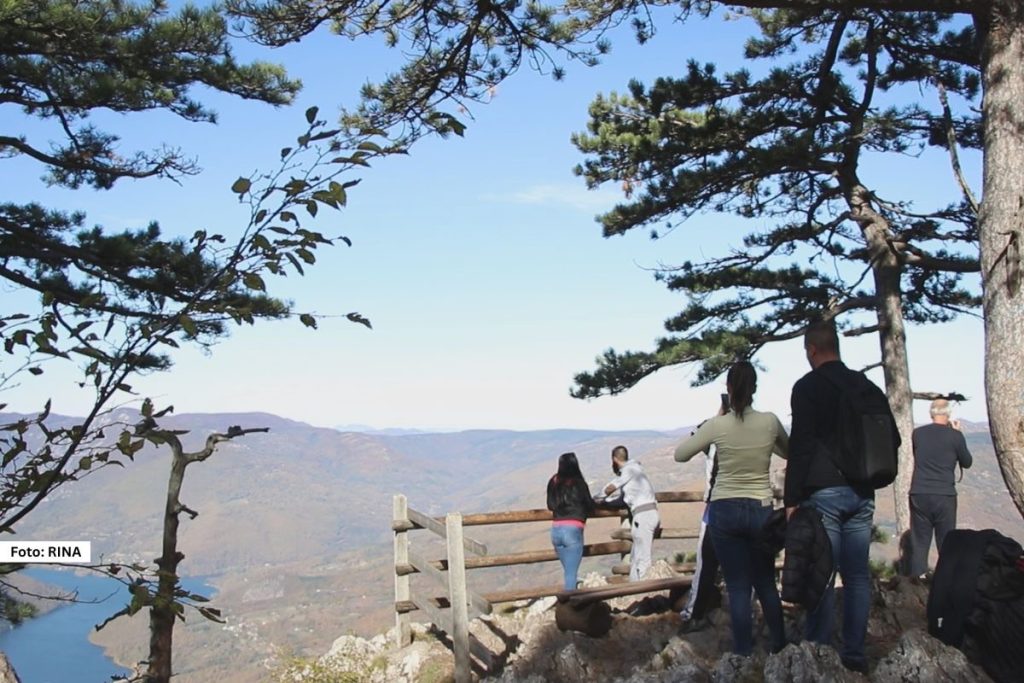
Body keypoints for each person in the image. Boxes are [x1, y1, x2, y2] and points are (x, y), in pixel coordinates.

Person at [786, 320, 899, 674]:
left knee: (821, 572)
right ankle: (854, 652)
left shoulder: (807, 388)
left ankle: (819, 651)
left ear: (812, 350)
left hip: (823, 493)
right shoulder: (863, 385)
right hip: (862, 491)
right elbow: (891, 438)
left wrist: (791, 499)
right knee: (858, 576)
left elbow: (801, 445)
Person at [675, 361, 788, 656]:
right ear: (755, 389)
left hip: (724, 509)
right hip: (760, 508)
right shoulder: (770, 422)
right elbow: (790, 451)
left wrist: (712, 427)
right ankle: (780, 645)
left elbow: (680, 454)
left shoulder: (717, 426)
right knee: (764, 582)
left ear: (728, 388)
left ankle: (742, 653)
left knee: (737, 586)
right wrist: (765, 445)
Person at [906, 398, 973, 577]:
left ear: (931, 413)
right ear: (948, 414)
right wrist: (958, 433)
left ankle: (916, 583)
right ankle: (945, 584)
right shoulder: (955, 436)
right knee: (946, 543)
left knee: (920, 543)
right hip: (944, 495)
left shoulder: (918, 434)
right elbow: (967, 462)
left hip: (919, 492)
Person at [679, 396, 726, 632]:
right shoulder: (753, 429)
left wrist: (714, 419)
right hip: (750, 503)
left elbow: (688, 445)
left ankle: (694, 614)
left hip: (716, 506)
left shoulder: (714, 433)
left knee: (706, 563)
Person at [599, 446, 660, 582]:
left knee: (643, 559)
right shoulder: (636, 470)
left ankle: (645, 592)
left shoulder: (628, 470)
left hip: (643, 516)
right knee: (636, 556)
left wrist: (597, 499)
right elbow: (623, 499)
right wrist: (608, 503)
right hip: (649, 513)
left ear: (614, 459)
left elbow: (610, 488)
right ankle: (635, 589)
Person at [547, 452, 595, 591]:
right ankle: (571, 605)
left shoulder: (554, 481)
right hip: (573, 530)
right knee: (571, 573)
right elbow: (590, 505)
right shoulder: (579, 483)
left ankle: (572, 596)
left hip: (556, 530)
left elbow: (550, 505)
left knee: (568, 571)